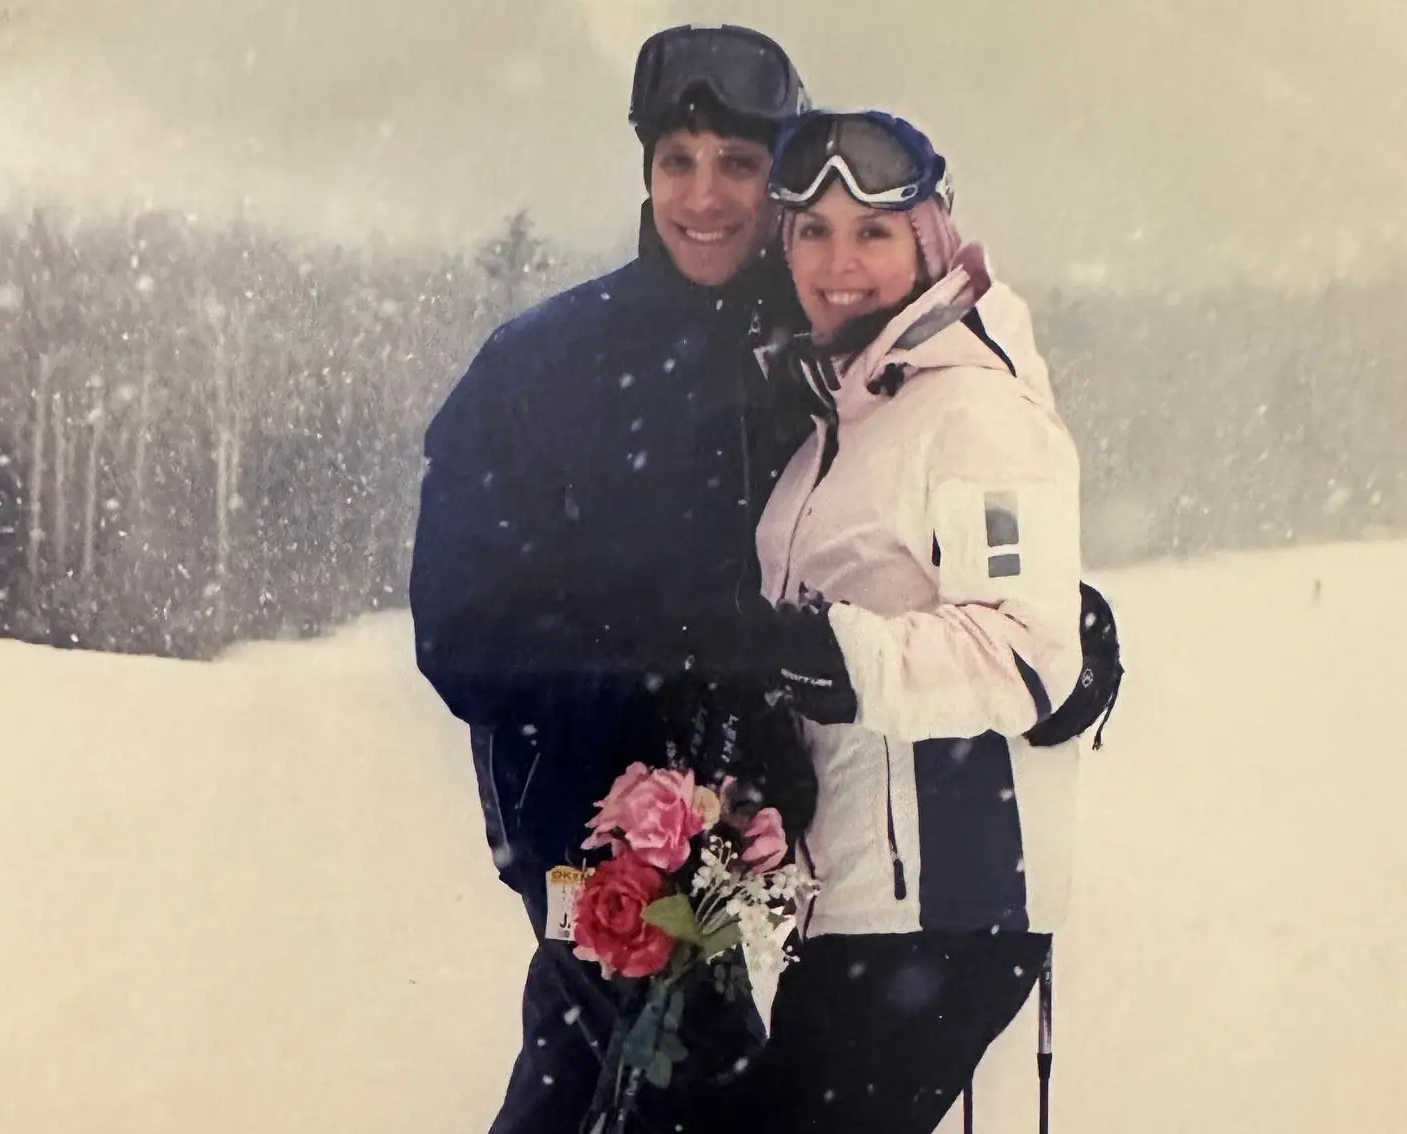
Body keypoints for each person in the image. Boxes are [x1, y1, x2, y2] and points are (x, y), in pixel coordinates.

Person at [408, 25, 820, 1134]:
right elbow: (462, 625)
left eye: (739, 164)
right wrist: (639, 765)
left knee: (674, 1090)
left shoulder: (813, 355)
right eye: (678, 161)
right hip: (595, 834)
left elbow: (921, 519)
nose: (706, 197)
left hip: (770, 840)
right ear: (644, 170)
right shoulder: (546, 362)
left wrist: (1059, 630)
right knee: (621, 1074)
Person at [698, 110, 1124, 1133]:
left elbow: (1028, 651)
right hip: (858, 905)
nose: (839, 264)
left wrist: (822, 655)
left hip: (950, 908)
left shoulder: (975, 411)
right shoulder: (839, 426)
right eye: (812, 232)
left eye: (873, 233)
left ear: (930, 240)